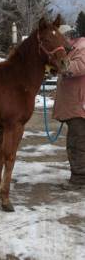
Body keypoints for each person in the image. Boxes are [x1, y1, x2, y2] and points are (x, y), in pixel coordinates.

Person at [53, 24, 85, 189]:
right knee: (76, 140)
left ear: (67, 37)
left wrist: (59, 65)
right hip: (75, 105)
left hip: (79, 106)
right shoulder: (74, 49)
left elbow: (79, 67)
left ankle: (79, 179)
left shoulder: (82, 47)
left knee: (77, 143)